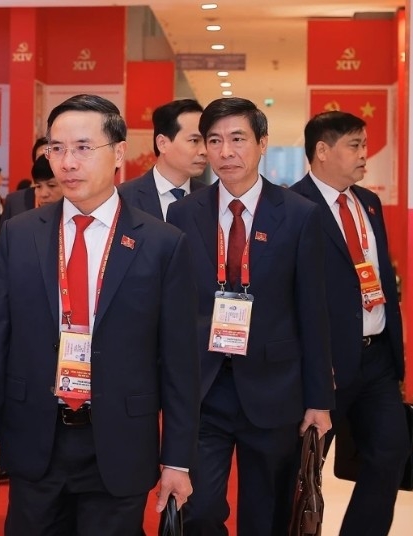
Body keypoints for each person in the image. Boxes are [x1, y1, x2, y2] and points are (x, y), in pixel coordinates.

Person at [0, 94, 200, 535]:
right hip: (36, 437)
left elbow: (180, 363)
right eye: (56, 148)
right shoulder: (20, 235)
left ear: (119, 152)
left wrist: (178, 458)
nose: (67, 162)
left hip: (119, 442)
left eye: (82, 148)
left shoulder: (162, 243)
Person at [165, 97, 335, 535]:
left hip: (275, 387)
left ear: (262, 144)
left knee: (267, 516)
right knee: (198, 510)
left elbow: (313, 311)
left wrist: (318, 400)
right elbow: (172, 307)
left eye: (238, 139)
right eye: (214, 141)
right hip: (205, 388)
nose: (225, 152)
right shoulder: (183, 214)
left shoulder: (299, 216)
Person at [289, 111, 410, 536]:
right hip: (325, 366)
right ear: (322, 151)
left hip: (375, 358)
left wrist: (397, 356)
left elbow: (380, 280)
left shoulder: (368, 203)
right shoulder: (293, 207)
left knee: (392, 451)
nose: (365, 155)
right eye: (355, 146)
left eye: (364, 144)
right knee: (303, 469)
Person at [0, 156, 63, 349]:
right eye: (38, 186)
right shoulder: (18, 222)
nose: (44, 194)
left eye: (51, 185)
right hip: (24, 334)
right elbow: (1, 278)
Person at [118, 99, 208, 221]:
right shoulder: (124, 198)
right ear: (162, 143)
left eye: (207, 141)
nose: (204, 151)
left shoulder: (210, 198)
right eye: (194, 141)